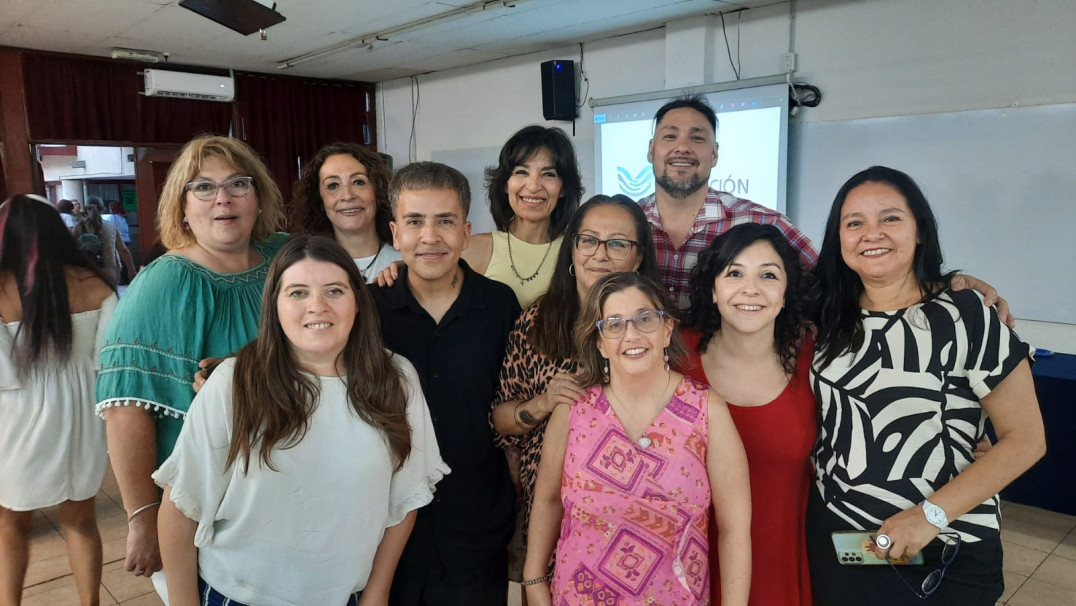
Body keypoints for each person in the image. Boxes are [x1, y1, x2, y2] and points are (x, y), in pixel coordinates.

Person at [153, 235, 448, 606]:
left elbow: (404, 501)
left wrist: (378, 592)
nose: (317, 307)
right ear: (274, 305)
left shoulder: (396, 379)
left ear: (358, 302)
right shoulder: (235, 382)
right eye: (297, 293)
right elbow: (182, 505)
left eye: (335, 291)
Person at [806, 166, 1046, 605]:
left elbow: (1027, 439)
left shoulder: (965, 312)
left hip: (943, 545)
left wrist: (928, 517)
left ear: (920, 230)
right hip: (842, 537)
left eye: (891, 218)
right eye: (854, 223)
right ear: (837, 239)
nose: (870, 233)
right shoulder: (824, 315)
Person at [95, 135, 287, 598]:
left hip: (280, 486)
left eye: (238, 184)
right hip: (202, 506)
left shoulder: (287, 256)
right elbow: (125, 407)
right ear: (182, 206)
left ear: (259, 198)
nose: (223, 198)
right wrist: (142, 517)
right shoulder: (163, 281)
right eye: (203, 187)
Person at [524, 272, 752, 606]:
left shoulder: (705, 408)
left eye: (644, 319)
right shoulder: (573, 411)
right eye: (614, 324)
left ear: (666, 330)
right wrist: (534, 581)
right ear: (600, 341)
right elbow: (547, 501)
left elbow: (734, 530)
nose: (631, 334)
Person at [490, 194, 659, 589]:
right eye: (588, 240)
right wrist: (544, 403)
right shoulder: (536, 322)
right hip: (550, 523)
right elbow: (499, 419)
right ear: (573, 248)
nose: (600, 253)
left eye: (617, 243)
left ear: (637, 257)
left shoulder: (654, 327)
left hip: (640, 529)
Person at [369, 162, 518, 606]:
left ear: (466, 231)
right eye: (415, 222)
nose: (429, 236)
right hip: (387, 520)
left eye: (445, 221)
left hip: (477, 521)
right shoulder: (368, 308)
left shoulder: (498, 304)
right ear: (395, 234)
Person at [683, 223, 817, 606]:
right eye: (735, 273)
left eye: (769, 275)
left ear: (787, 291)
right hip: (687, 564)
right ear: (713, 287)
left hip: (781, 562)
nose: (751, 289)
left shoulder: (815, 359)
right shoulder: (673, 355)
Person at [0, 194, 116, 606]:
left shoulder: (0, 288)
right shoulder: (95, 282)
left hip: (18, 414)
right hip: (83, 411)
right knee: (81, 519)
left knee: (12, 524)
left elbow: (3, 376)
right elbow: (108, 361)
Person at [639, 95, 816, 310]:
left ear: (714, 154)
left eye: (697, 138)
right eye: (670, 136)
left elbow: (828, 284)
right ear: (651, 150)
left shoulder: (764, 224)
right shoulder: (627, 224)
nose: (682, 147)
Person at [378, 125, 584, 308]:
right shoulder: (476, 247)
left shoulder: (576, 253)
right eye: (521, 172)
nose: (533, 186)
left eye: (548, 174)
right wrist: (401, 269)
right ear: (505, 183)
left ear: (564, 187)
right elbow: (430, 265)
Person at [291, 142, 403, 281]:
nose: (347, 195)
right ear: (319, 199)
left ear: (378, 191)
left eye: (358, 182)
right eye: (333, 186)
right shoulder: (304, 269)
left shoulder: (408, 264)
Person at [73, 198, 136, 287]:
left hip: (86, 273)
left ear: (86, 208)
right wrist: (131, 271)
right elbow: (123, 250)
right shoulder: (111, 226)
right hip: (110, 272)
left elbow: (71, 249)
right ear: (102, 208)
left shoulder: (79, 226)